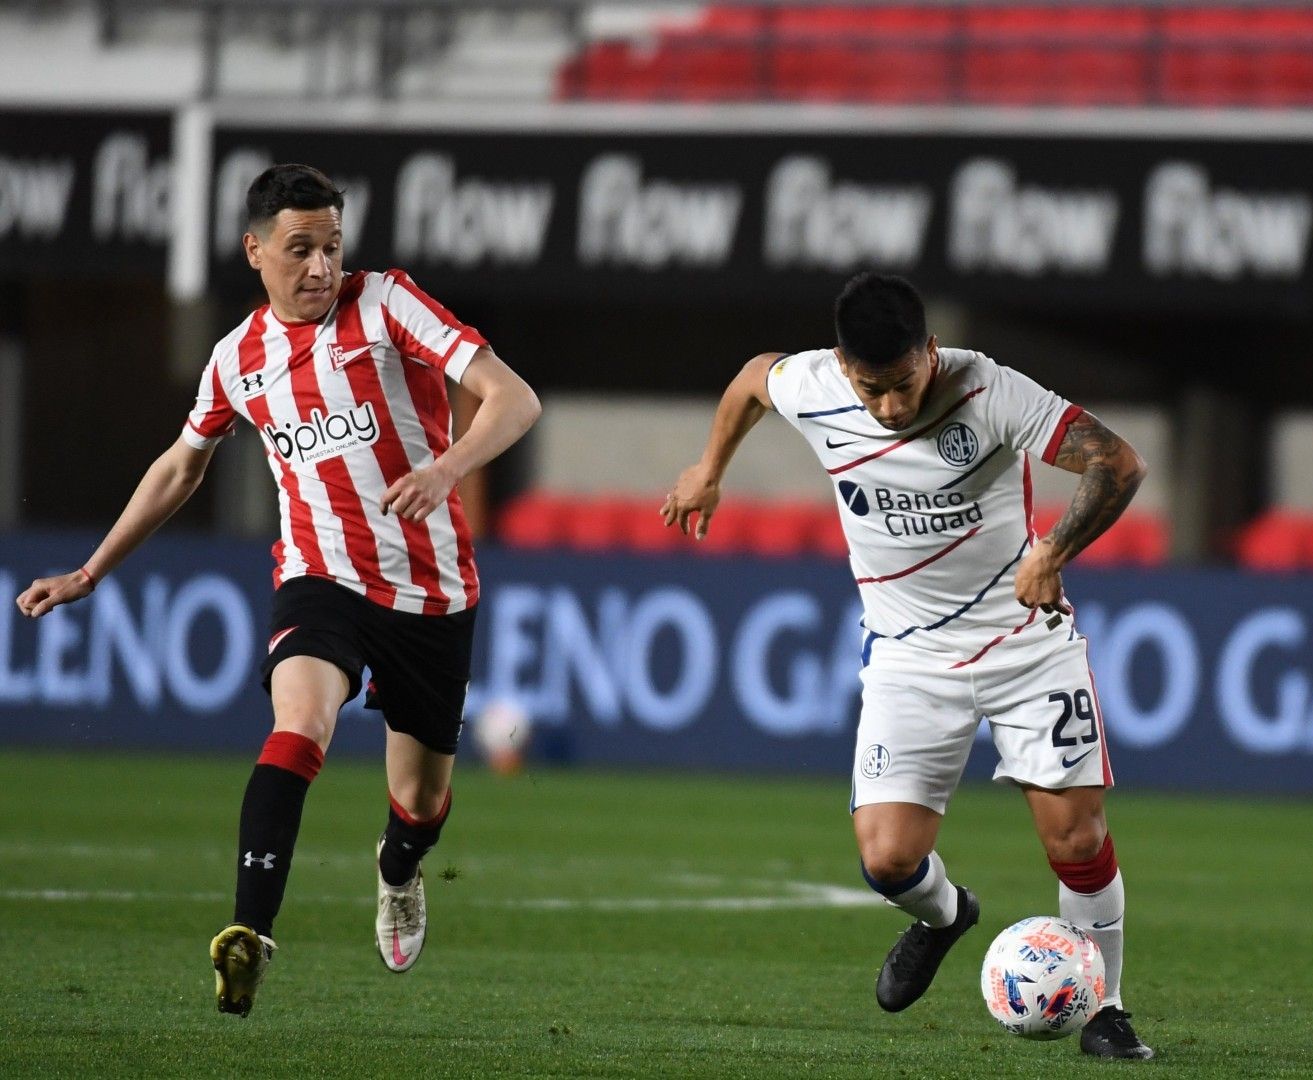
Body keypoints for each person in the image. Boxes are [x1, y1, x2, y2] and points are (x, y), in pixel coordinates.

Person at [13, 164, 541, 1017]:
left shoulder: (388, 304)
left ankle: (398, 867)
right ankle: (249, 933)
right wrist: (89, 571)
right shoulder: (237, 359)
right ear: (255, 251)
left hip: (430, 591)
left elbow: (514, 400)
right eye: (300, 249)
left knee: (420, 804)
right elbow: (181, 467)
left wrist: (446, 468)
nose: (322, 266)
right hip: (317, 578)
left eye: (332, 246)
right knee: (299, 724)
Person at [662, 272, 1153, 1059]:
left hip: (1025, 645)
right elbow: (754, 378)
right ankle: (946, 916)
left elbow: (1117, 462)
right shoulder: (814, 386)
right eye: (872, 389)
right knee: (888, 858)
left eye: (903, 383)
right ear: (842, 366)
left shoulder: (988, 390)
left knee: (1075, 838)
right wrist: (709, 468)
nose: (891, 406)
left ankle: (1108, 1010)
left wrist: (1054, 551)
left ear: (931, 351)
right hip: (908, 657)